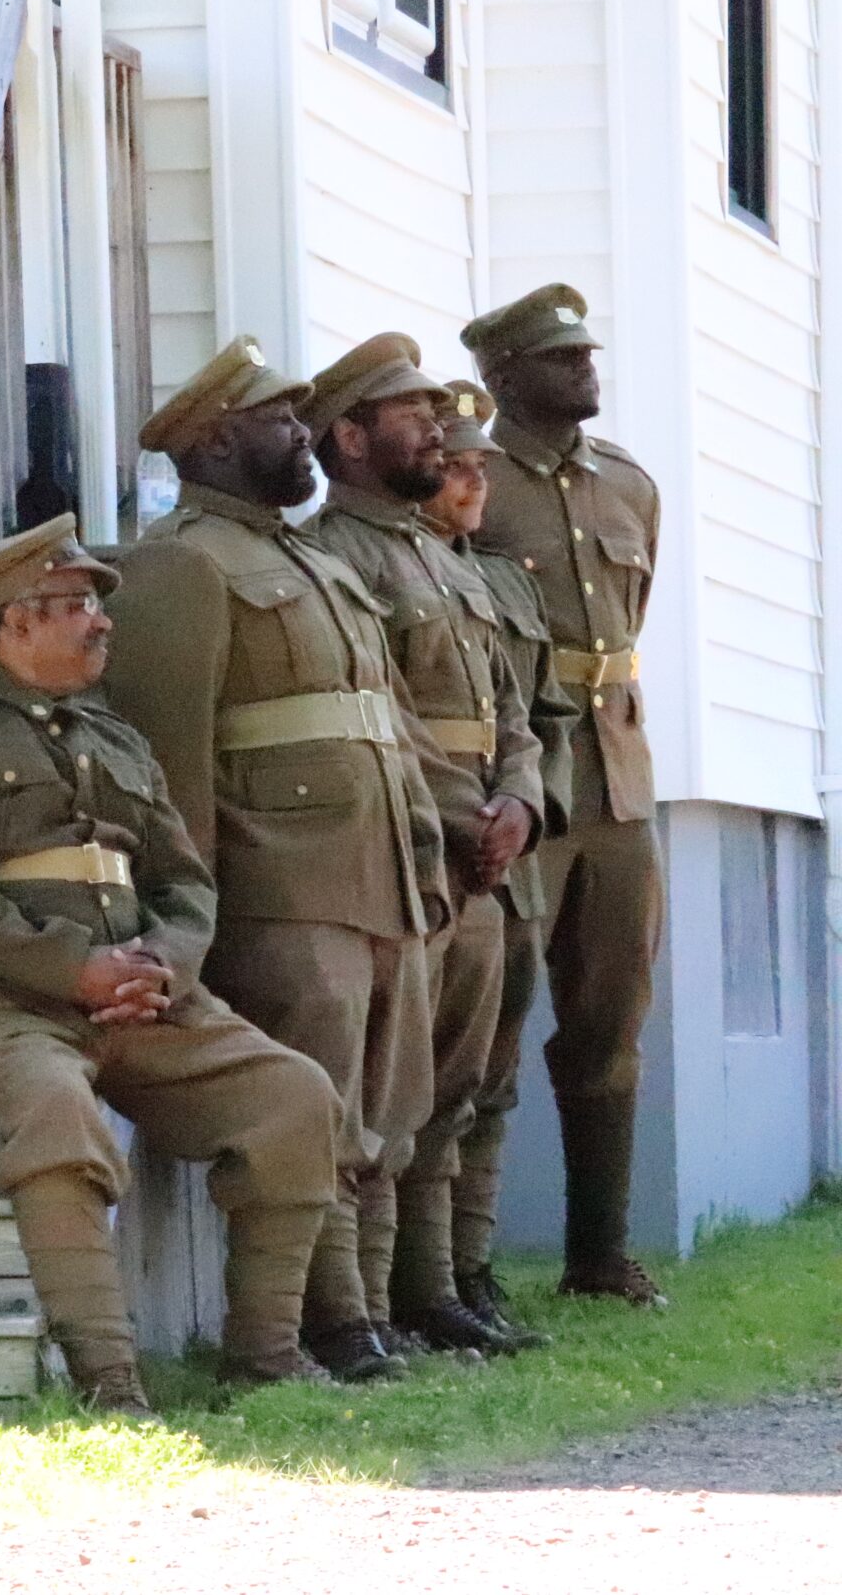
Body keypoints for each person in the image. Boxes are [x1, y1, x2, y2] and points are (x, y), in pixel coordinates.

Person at [0, 516, 342, 1413]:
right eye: (79, 604)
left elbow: (184, 880)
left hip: (140, 998)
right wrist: (74, 971)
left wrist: (163, 963)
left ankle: (265, 1353)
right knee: (55, 1108)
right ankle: (111, 1379)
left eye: (96, 602)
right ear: (16, 621)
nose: (103, 622)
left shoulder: (116, 735)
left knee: (295, 1095)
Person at [101, 336, 452, 1384]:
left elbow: (383, 725)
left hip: (377, 868)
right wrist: (187, 914)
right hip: (280, 879)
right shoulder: (180, 561)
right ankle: (330, 1324)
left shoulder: (314, 558)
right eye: (281, 421)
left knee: (389, 1106)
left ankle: (372, 1311)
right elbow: (169, 764)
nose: (304, 437)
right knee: (320, 1106)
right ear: (215, 439)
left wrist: (423, 853)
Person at [301, 335, 543, 1358]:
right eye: (408, 416)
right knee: (386, 1092)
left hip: (484, 848)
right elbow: (385, 721)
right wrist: (464, 819)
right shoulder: (333, 556)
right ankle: (366, 1301)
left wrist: (520, 805)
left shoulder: (442, 560)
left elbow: (512, 715)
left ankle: (435, 1285)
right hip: (412, 849)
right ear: (348, 438)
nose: (436, 433)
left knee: (456, 1089)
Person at [461, 284, 668, 1308]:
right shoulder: (471, 483)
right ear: (505, 378)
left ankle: (599, 1256)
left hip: (618, 776)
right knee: (487, 1012)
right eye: (561, 358)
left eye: (587, 354)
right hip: (515, 777)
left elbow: (627, 626)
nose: (586, 370)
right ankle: (458, 1267)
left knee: (611, 1018)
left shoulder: (629, 484)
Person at [420, 382, 569, 1349]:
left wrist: (522, 800)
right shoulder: (374, 566)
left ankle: (469, 1265)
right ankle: (422, 1279)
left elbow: (537, 717)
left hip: (511, 858)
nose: (476, 480)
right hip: (438, 851)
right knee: (427, 1078)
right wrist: (470, 812)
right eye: (460, 464)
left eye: (483, 466)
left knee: (494, 1075)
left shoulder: (503, 583)